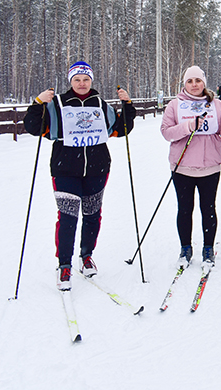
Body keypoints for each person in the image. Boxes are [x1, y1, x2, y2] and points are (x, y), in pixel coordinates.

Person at [24, 61, 136, 290]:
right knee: (68, 216)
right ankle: (64, 264)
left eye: (86, 79)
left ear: (91, 81)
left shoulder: (100, 105)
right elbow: (35, 127)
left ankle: (86, 256)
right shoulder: (58, 104)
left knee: (92, 214)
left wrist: (127, 104)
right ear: (70, 81)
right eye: (77, 79)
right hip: (65, 169)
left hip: (97, 168)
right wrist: (38, 104)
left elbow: (121, 129)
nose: (82, 84)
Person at [161, 65, 221, 269]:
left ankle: (208, 248)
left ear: (204, 82)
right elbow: (166, 132)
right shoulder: (175, 105)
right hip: (182, 166)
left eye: (198, 81)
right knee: (185, 209)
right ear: (184, 83)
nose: (194, 85)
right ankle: (185, 248)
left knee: (208, 208)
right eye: (190, 81)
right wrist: (188, 127)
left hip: (210, 166)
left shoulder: (217, 104)